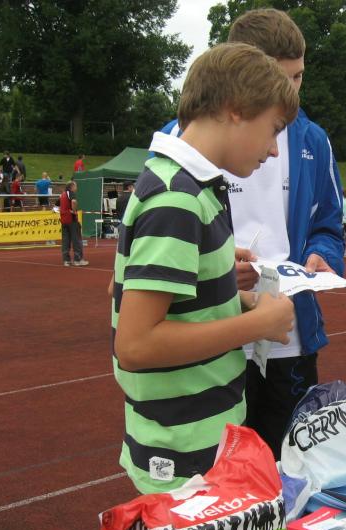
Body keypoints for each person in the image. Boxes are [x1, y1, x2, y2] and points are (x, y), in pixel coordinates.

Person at [113, 42, 299, 493]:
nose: (274, 151)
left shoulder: (192, 186)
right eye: (273, 130)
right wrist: (254, 324)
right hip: (182, 451)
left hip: (201, 434)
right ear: (236, 109)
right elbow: (135, 344)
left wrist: (233, 293)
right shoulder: (176, 198)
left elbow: (161, 297)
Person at [220, 8, 345, 459]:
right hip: (218, 335)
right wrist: (217, 273)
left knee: (291, 464)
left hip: (288, 334)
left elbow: (329, 225)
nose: (292, 91)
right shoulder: (188, 137)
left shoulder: (312, 140)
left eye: (298, 77)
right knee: (221, 469)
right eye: (281, 78)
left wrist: (322, 256)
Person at [59, 181, 88, 266]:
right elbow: (74, 201)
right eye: (76, 186)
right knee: (77, 240)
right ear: (72, 187)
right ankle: (77, 260)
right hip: (72, 220)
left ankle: (66, 260)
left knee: (65, 241)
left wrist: (63, 212)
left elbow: (56, 206)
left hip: (64, 220)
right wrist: (74, 211)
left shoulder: (62, 195)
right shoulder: (71, 193)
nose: (76, 188)